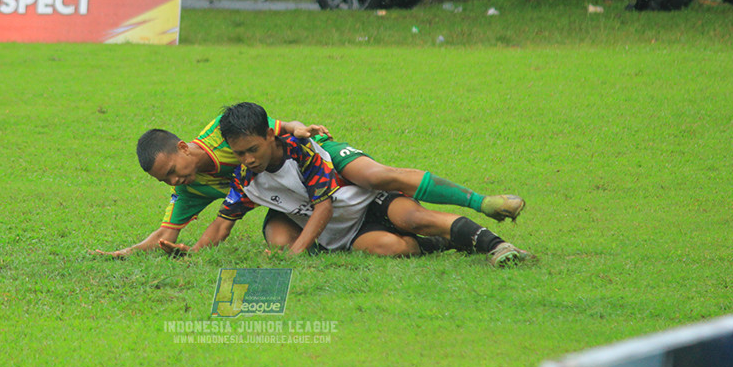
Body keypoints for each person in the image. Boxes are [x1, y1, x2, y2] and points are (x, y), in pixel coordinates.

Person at [94, 108, 524, 257]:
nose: (176, 180)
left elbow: (273, 126)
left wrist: (299, 129)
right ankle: (406, 240)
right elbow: (185, 230)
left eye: (174, 170)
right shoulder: (203, 187)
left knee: (378, 177)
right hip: (290, 201)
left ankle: (481, 203)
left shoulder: (227, 131)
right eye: (166, 180)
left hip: (319, 163)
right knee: (285, 236)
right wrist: (127, 253)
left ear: (184, 147)